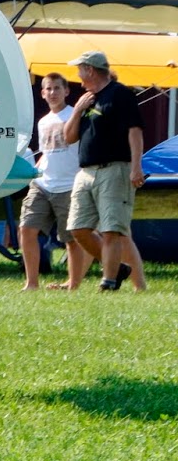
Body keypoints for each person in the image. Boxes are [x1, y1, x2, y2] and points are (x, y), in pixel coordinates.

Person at [63, 50, 145, 291]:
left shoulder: (120, 94)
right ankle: (118, 268)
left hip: (114, 170)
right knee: (78, 228)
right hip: (85, 172)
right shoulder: (87, 99)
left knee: (112, 230)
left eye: (80, 69)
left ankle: (108, 282)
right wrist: (77, 110)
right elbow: (69, 137)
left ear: (90, 70)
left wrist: (136, 166)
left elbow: (135, 131)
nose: (77, 74)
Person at [18, 72, 89, 290]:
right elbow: (47, 152)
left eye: (57, 88)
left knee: (71, 238)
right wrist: (34, 170)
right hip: (42, 184)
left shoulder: (75, 115)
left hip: (69, 185)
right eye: (48, 89)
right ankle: (31, 283)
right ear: (42, 93)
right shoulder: (42, 122)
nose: (52, 93)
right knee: (26, 229)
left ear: (66, 91)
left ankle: (73, 285)